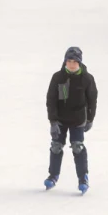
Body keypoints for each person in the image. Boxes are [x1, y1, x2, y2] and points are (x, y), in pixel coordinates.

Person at [44, 46, 98, 193]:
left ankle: (83, 178)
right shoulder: (58, 77)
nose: (72, 64)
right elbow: (51, 100)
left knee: (77, 147)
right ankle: (53, 175)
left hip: (78, 119)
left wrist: (90, 119)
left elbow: (92, 99)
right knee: (56, 146)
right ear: (65, 62)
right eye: (69, 61)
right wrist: (53, 122)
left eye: (75, 61)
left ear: (79, 63)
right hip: (60, 119)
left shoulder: (87, 79)